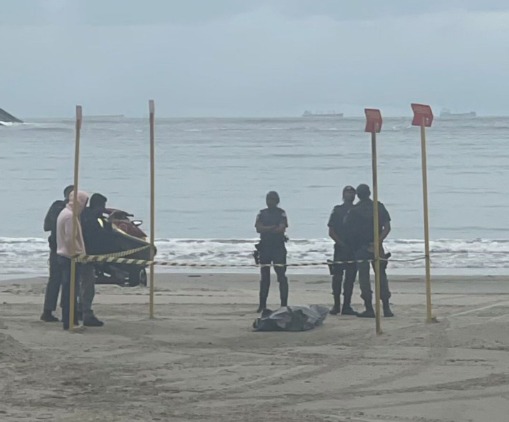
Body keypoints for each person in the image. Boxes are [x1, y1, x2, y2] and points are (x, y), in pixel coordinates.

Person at [346, 184, 394, 318]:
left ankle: (369, 308)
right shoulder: (378, 207)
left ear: (358, 195)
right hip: (376, 245)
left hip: (362, 247)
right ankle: (386, 308)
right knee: (381, 276)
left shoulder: (354, 210)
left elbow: (349, 232)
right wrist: (378, 241)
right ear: (369, 193)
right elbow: (387, 227)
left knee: (364, 278)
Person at [56, 190, 89, 330]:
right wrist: (76, 254)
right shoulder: (70, 216)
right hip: (70, 257)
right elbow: (70, 239)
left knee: (70, 290)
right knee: (70, 291)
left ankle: (71, 321)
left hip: (65, 256)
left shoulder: (66, 213)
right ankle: (69, 323)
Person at [40, 184, 74, 322]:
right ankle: (54, 311)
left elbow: (47, 226)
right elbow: (48, 226)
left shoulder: (61, 208)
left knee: (60, 280)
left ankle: (52, 310)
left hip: (60, 248)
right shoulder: (62, 208)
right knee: (63, 280)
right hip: (62, 248)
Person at [255, 191, 289, 312]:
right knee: (264, 277)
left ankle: (284, 305)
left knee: (282, 276)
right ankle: (262, 305)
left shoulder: (281, 213)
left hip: (278, 247)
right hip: (265, 247)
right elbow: (258, 228)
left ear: (277, 201)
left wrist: (267, 229)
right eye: (269, 199)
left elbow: (281, 228)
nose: (270, 202)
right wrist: (272, 228)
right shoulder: (262, 213)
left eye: (273, 199)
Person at [79, 193, 110, 327]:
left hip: (78, 253)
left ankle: (79, 310)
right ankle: (86, 312)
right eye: (103, 206)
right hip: (87, 255)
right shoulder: (92, 220)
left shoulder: (83, 214)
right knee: (88, 284)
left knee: (80, 284)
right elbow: (99, 237)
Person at [327, 185, 358, 315]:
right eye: (347, 192)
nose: (349, 195)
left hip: (353, 248)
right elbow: (331, 230)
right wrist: (340, 242)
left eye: (351, 193)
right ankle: (336, 305)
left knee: (350, 278)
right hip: (340, 248)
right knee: (337, 277)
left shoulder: (357, 210)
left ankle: (346, 305)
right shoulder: (337, 210)